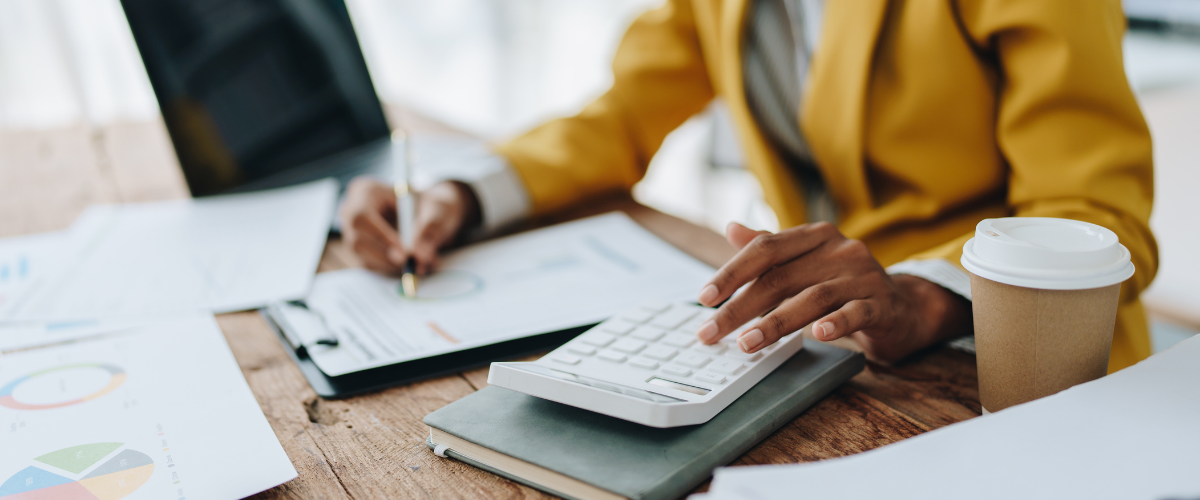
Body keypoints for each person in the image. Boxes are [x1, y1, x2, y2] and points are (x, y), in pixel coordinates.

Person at [340, 0, 1156, 371]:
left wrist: (923, 294)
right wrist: (464, 194)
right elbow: (622, 117)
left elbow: (1099, 217)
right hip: (822, 350)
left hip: (1017, 366)